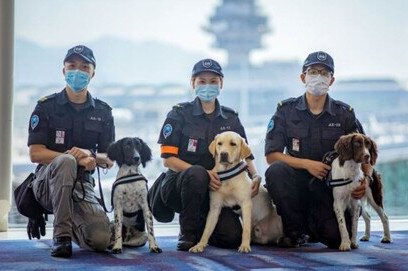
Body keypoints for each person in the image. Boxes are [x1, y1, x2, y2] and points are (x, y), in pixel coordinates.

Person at [152, 58, 261, 251]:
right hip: (180, 185)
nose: (207, 86)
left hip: (216, 189)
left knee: (231, 238)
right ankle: (187, 232)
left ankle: (202, 224)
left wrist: (255, 176)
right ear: (193, 83)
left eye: (213, 81)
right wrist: (204, 173)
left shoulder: (231, 118)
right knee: (197, 174)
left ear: (221, 84)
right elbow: (168, 160)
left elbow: (246, 152)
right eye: (202, 81)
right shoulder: (179, 114)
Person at [264, 51, 368, 248]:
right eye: (313, 71)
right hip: (296, 182)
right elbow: (272, 155)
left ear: (332, 80)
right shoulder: (286, 111)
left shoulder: (344, 114)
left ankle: (312, 226)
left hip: (330, 188)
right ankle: (295, 231)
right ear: (303, 77)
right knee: (276, 171)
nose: (318, 77)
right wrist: (307, 164)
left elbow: (364, 154)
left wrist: (366, 181)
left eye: (324, 73)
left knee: (336, 239)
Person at [27, 45, 117, 258]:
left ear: (93, 73)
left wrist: (90, 156)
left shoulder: (103, 112)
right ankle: (61, 237)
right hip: (46, 184)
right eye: (72, 66)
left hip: (81, 186)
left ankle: (80, 223)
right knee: (67, 161)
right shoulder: (46, 107)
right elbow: (35, 153)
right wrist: (73, 159)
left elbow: (110, 159)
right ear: (64, 71)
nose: (78, 71)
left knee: (101, 240)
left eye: (84, 67)